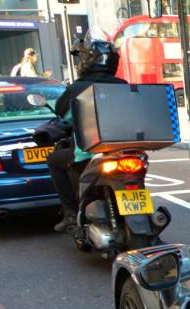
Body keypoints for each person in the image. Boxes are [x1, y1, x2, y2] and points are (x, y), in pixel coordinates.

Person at [47, 35, 126, 232]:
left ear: (87, 61)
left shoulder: (76, 88)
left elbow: (63, 114)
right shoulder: (123, 85)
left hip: (90, 152)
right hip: (125, 150)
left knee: (53, 160)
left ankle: (70, 213)